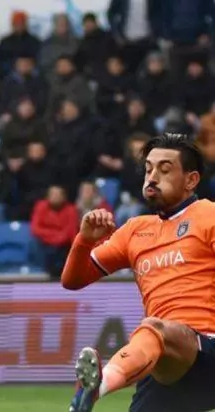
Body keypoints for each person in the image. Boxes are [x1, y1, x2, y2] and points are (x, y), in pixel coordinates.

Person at [62, 133, 215, 412]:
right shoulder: (135, 230)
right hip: (163, 364)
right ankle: (87, 395)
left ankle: (95, 388)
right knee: (154, 329)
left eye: (164, 169)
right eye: (148, 169)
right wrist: (84, 239)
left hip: (208, 350)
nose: (152, 177)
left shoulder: (209, 215)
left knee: (154, 326)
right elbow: (72, 280)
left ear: (191, 180)